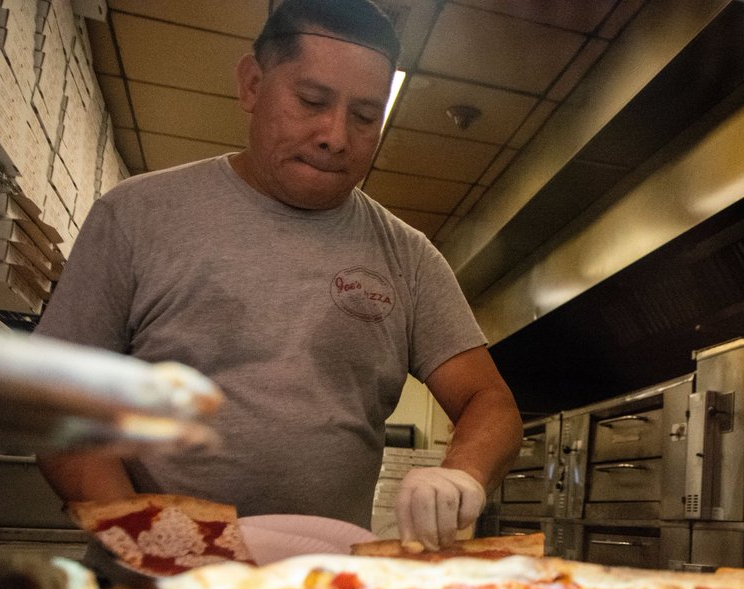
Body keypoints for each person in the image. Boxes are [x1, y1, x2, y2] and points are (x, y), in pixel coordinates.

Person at [33, 0, 522, 552]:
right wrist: (150, 541)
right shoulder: (138, 215)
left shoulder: (407, 257)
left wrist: (463, 473)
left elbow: (491, 402)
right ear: (251, 85)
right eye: (312, 101)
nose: (336, 135)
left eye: (365, 116)